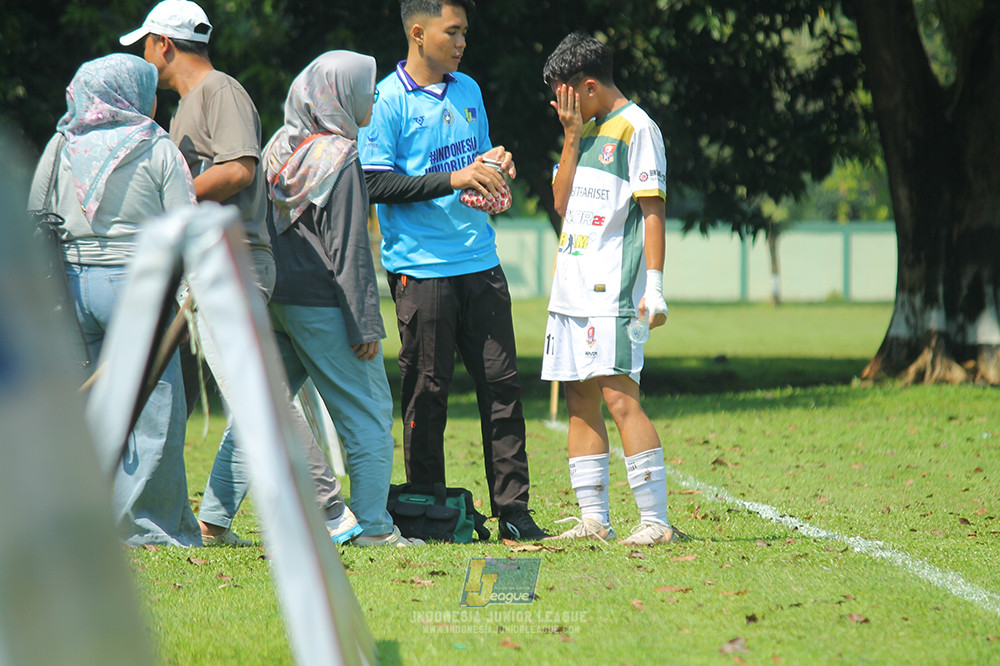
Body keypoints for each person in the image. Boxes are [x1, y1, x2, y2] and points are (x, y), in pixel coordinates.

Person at [120, 0, 360, 546]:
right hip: (213, 266)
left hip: (235, 263)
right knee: (249, 398)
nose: (142, 58)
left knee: (261, 396)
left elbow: (238, 168)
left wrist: (164, 201)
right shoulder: (186, 104)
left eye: (145, 46)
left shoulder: (219, 91)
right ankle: (218, 522)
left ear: (166, 44)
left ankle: (331, 511)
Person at [359, 0, 549, 541]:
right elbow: (372, 183)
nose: (463, 42)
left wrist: (495, 164)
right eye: (454, 31)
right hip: (421, 270)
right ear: (418, 33)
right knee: (427, 392)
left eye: (465, 32)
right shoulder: (386, 99)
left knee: (503, 388)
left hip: (480, 263)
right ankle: (430, 510)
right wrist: (455, 179)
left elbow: (477, 165)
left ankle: (514, 511)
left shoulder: (468, 90)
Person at [28, 53, 201, 547]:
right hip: (138, 289)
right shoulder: (155, 144)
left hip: (73, 288)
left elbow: (34, 211)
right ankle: (150, 527)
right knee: (154, 408)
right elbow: (184, 221)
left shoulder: (61, 143)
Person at [263, 50, 422, 547]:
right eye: (366, 88)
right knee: (369, 412)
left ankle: (217, 515)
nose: (371, 97)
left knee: (265, 402)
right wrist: (365, 325)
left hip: (276, 299)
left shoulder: (276, 148)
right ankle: (374, 528)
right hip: (325, 304)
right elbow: (349, 248)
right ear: (340, 93)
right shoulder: (341, 155)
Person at [540, 32, 677, 546]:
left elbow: (653, 210)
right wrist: (571, 138)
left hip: (613, 293)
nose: (558, 105)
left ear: (588, 85)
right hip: (570, 291)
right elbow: (561, 202)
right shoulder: (586, 133)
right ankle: (594, 520)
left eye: (562, 94)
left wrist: (656, 287)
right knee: (580, 398)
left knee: (621, 399)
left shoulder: (638, 128)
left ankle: (655, 522)